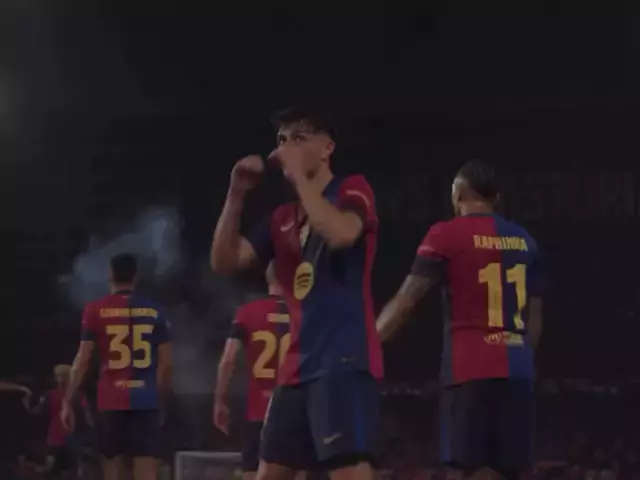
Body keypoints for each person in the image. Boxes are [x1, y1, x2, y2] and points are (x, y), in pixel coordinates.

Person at [211, 106, 382, 480]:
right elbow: (225, 261)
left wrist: (299, 179)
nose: (286, 147)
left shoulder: (352, 189)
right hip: (294, 367)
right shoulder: (282, 217)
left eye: (299, 138)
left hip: (342, 359)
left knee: (348, 471)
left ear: (327, 148)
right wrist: (236, 194)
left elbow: (342, 234)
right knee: (270, 472)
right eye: (282, 140)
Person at [376, 159, 543, 480]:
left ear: (457, 194)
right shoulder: (526, 241)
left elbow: (406, 301)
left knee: (462, 471)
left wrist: (367, 344)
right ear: (496, 198)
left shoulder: (446, 235)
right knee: (507, 472)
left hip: (470, 370)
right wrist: (521, 358)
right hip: (518, 370)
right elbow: (534, 323)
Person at [61, 253, 172, 480]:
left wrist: (67, 400)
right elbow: (167, 363)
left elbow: (82, 360)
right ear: (136, 276)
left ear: (109, 275)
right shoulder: (156, 310)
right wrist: (158, 397)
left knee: (112, 471)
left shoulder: (94, 310)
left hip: (111, 399)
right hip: (145, 400)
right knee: (147, 472)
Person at [214, 263, 305, 480]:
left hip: (259, 412)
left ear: (268, 278)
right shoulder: (304, 313)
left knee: (253, 474)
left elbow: (228, 360)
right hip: (295, 412)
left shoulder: (247, 312)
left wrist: (220, 401)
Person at [23, 364, 93, 478]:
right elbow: (88, 418)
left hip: (56, 439)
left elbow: (35, 412)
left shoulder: (50, 395)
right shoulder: (79, 396)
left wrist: (26, 402)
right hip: (72, 439)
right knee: (70, 473)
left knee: (53, 473)